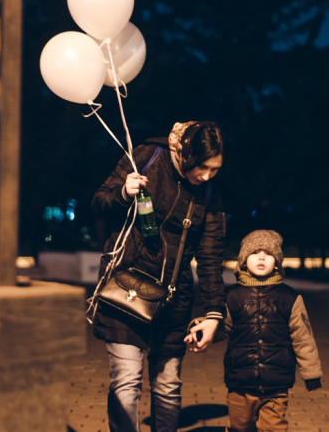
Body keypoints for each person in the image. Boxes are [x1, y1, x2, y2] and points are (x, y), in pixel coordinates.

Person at [91, 121, 227, 432]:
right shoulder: (148, 157)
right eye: (202, 167)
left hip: (173, 299)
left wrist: (213, 314)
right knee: (127, 381)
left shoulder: (209, 191)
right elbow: (99, 202)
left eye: (215, 169)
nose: (207, 175)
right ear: (186, 153)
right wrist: (123, 193)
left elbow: (210, 256)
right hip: (127, 290)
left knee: (167, 384)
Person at [193, 229, 322, 432]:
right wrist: (201, 329)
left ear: (277, 263)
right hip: (240, 380)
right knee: (239, 427)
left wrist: (311, 373)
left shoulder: (289, 297)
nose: (261, 257)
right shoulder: (232, 296)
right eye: (254, 253)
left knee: (274, 428)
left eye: (268, 254)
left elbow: (303, 338)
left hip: (276, 382)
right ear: (243, 261)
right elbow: (221, 326)